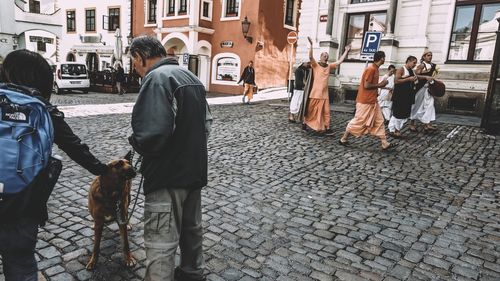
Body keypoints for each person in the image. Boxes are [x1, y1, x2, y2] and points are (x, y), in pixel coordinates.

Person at [0, 50, 108, 281]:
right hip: (21, 203)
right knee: (20, 264)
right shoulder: (42, 109)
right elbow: (75, 147)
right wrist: (103, 170)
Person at [128, 36, 212, 281]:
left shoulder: (156, 79)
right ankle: (192, 273)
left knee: (161, 237)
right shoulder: (192, 78)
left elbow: (152, 134)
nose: (134, 69)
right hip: (193, 170)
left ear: (140, 57)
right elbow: (207, 125)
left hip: (167, 174)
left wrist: (136, 142)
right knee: (191, 230)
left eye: (134, 63)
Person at [339, 51, 395, 150]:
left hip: (373, 100)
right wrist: (380, 85)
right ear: (381, 58)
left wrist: (377, 90)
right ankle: (343, 138)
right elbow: (366, 85)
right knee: (359, 121)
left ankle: (384, 143)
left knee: (379, 120)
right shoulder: (371, 69)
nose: (384, 59)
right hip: (365, 101)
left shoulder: (376, 69)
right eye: (384, 57)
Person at [304, 37, 350, 135]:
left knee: (326, 112)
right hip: (315, 93)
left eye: (327, 55)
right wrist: (311, 45)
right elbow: (311, 57)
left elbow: (339, 61)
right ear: (320, 57)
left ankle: (327, 127)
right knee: (311, 111)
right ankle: (305, 122)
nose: (326, 56)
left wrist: (346, 51)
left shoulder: (329, 66)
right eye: (324, 55)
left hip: (324, 94)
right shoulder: (315, 65)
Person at [388, 56, 433, 138]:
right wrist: (408, 79)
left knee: (403, 114)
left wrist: (426, 77)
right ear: (408, 61)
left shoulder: (411, 71)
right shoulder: (401, 69)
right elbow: (396, 81)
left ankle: (392, 129)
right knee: (398, 113)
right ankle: (396, 131)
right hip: (400, 96)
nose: (415, 65)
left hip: (407, 96)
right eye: (414, 63)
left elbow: (417, 77)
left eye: (416, 63)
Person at [409, 51, 437, 133]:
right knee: (416, 105)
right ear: (424, 57)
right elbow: (416, 76)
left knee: (430, 105)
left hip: (429, 89)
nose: (430, 57)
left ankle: (427, 124)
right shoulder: (422, 65)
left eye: (431, 55)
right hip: (420, 88)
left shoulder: (433, 66)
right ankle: (412, 123)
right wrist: (425, 76)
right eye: (428, 55)